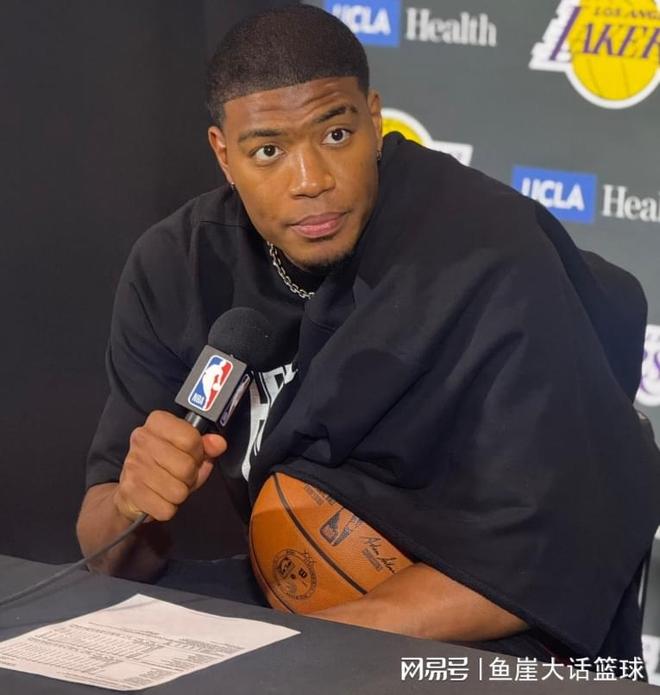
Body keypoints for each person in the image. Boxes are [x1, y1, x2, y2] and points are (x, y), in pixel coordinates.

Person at [76, 4, 660, 669]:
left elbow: (552, 554)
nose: (311, 182)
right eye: (268, 151)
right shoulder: (177, 266)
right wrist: (134, 503)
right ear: (223, 154)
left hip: (483, 620)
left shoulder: (488, 256)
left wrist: (300, 651)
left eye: (336, 134)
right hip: (296, 599)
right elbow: (105, 554)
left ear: (374, 120)